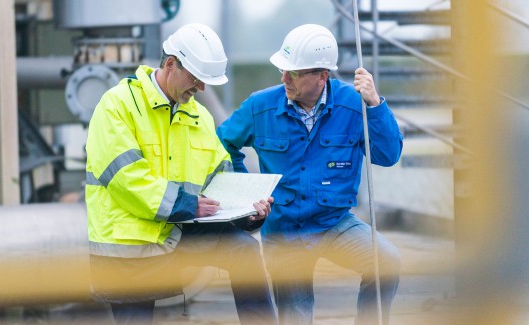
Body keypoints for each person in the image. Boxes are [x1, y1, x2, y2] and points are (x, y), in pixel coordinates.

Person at [85, 23, 277, 325]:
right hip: (130, 246)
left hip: (177, 232)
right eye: (196, 78)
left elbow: (220, 175)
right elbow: (127, 179)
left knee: (244, 250)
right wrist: (186, 204)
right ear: (170, 64)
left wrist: (247, 210)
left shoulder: (199, 115)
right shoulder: (118, 105)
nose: (201, 88)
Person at [217, 24, 403, 325]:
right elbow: (222, 145)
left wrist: (375, 103)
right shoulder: (259, 106)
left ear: (322, 76)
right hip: (284, 229)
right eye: (282, 70)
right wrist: (246, 193)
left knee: (387, 262)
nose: (283, 78)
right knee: (296, 316)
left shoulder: (353, 104)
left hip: (334, 222)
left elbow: (388, 155)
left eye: (293, 73)